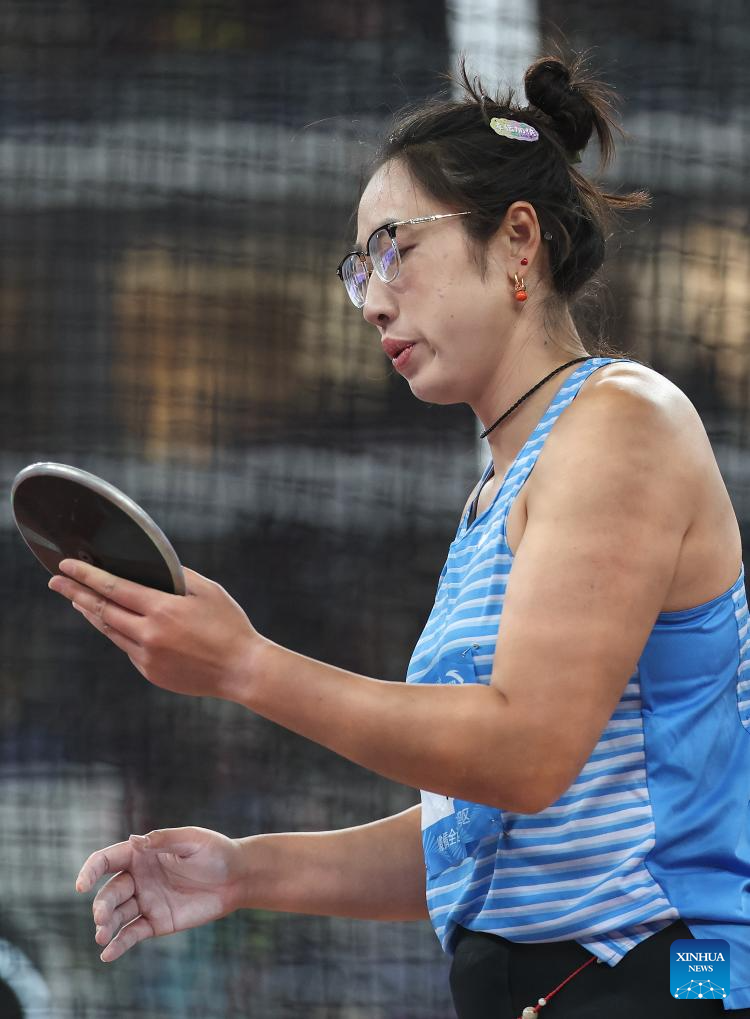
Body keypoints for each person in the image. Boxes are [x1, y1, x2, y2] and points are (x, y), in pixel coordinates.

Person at [49, 54, 750, 1018]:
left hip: (668, 976)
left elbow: (525, 754)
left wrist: (246, 665)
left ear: (517, 240)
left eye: (393, 248)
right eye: (359, 270)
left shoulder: (622, 421)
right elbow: (482, 835)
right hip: (550, 983)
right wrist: (245, 870)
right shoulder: (495, 496)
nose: (373, 298)